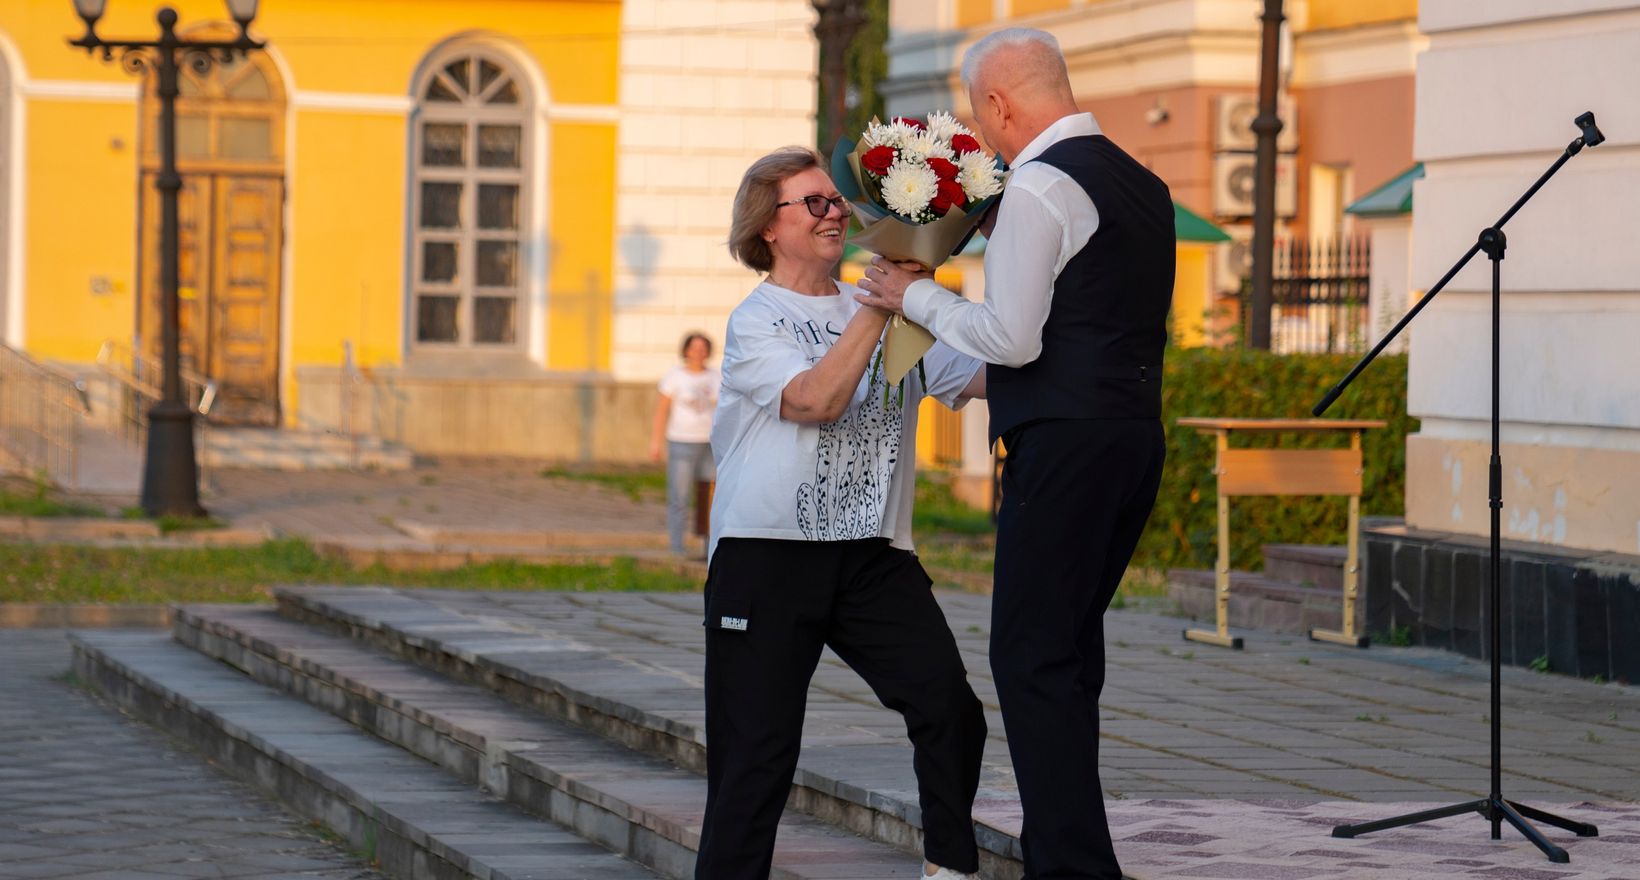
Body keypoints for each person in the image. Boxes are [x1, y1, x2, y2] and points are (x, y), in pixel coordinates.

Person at [855, 28, 1175, 880]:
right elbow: (1090, 335)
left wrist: (912, 292)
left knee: (1031, 657)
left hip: (1064, 450)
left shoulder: (1040, 185)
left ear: (998, 104)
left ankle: (1070, 867)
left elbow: (1013, 336)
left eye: (978, 114)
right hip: (1134, 439)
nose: (982, 132)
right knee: (1068, 654)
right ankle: (1076, 857)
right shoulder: (1145, 184)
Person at [695, 146, 989, 880]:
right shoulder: (756, 320)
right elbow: (816, 402)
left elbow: (985, 372)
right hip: (765, 558)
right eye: (815, 202)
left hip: (872, 557)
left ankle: (949, 869)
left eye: (839, 201)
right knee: (755, 758)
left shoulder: (899, 311)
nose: (837, 214)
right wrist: (880, 305)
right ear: (769, 227)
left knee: (952, 714)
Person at [651, 332, 720, 556]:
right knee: (679, 495)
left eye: (703, 348)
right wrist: (655, 442)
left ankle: (708, 546)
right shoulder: (674, 376)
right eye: (694, 348)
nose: (698, 353)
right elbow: (662, 410)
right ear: (686, 351)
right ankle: (677, 546)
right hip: (681, 441)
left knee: (709, 495)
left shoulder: (716, 377)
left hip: (709, 443)